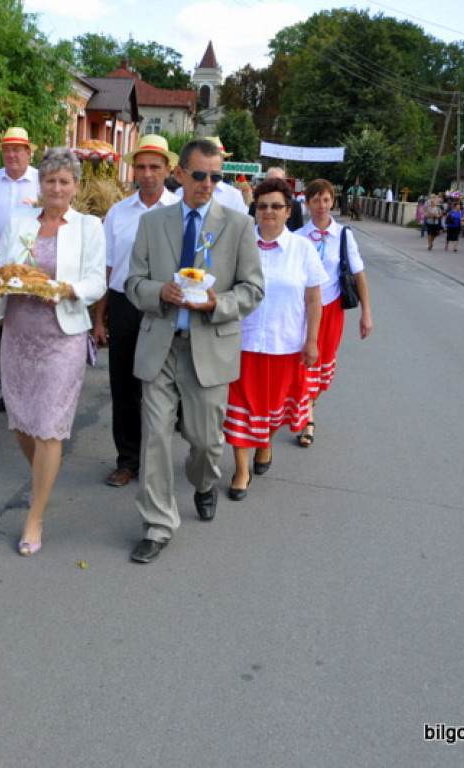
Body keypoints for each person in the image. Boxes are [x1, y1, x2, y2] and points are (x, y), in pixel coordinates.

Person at [125, 138, 264, 564]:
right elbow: (133, 283)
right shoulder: (153, 223)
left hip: (209, 348)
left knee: (205, 442)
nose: (208, 184)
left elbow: (253, 289)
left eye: (216, 177)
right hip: (162, 346)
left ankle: (204, 483)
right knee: (155, 440)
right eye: (200, 175)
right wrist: (158, 291)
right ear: (180, 174)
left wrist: (216, 303)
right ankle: (158, 523)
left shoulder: (238, 225)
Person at [0, 147, 106, 556]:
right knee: (21, 420)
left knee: (49, 425)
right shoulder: (20, 223)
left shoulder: (88, 227)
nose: (56, 187)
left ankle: (35, 514)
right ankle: (42, 479)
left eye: (64, 181)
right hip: (19, 334)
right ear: (41, 184)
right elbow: (1, 271)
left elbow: (95, 282)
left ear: (75, 187)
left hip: (62, 335)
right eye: (50, 180)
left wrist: (68, 289)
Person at [223, 178, 325, 499]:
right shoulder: (239, 244)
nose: (268, 211)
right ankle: (241, 471)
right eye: (263, 206)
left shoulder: (302, 248)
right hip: (241, 343)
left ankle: (264, 442)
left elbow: (313, 300)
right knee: (239, 407)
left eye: (276, 206)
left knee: (272, 409)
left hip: (285, 345)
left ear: (288, 211)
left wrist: (312, 341)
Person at [92, 134, 179, 489]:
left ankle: (159, 460)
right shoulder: (118, 213)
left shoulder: (180, 210)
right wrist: (99, 319)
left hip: (166, 307)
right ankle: (128, 460)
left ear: (168, 170)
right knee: (125, 388)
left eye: (154, 167)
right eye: (140, 167)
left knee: (163, 388)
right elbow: (108, 269)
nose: (147, 174)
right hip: (126, 306)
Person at [295, 178, 373, 447]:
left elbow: (358, 274)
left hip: (333, 309)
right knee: (305, 362)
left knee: (322, 366)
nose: (321, 205)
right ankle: (308, 419)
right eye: (315, 200)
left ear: (333, 202)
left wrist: (367, 313)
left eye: (326, 199)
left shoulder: (344, 236)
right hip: (305, 311)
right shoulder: (297, 237)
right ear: (307, 203)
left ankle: (308, 405)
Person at [0, 127, 42, 413]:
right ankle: (9, 391)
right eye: (7, 149)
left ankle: (34, 388)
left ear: (29, 152)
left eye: (18, 149)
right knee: (2, 330)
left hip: (34, 265)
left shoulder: (41, 181)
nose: (12, 154)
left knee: (33, 329)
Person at [202, 136, 246, 213]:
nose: (211, 162)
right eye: (206, 157)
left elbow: (241, 224)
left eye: (216, 157)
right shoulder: (182, 192)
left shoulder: (234, 196)